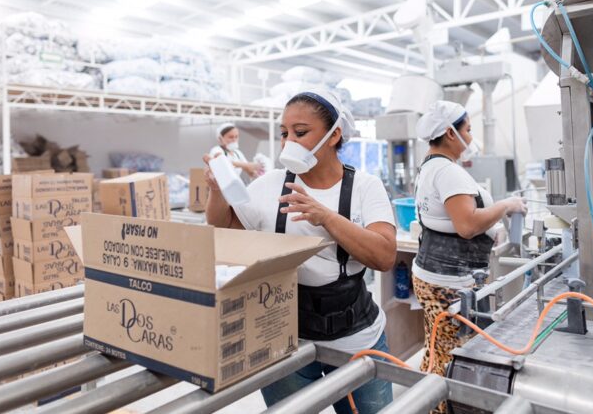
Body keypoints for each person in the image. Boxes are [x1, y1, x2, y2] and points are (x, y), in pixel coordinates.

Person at [203, 89, 397, 414]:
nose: (288, 142)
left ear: (334, 135)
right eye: (284, 134)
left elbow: (384, 256)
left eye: (300, 132)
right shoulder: (269, 184)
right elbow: (225, 225)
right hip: (283, 340)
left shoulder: (365, 187)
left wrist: (327, 217)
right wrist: (216, 190)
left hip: (357, 342)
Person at [412, 101, 527, 412]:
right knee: (450, 360)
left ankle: (424, 403)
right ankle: (438, 407)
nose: (471, 136)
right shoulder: (448, 172)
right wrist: (506, 206)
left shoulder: (430, 166)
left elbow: (451, 219)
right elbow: (466, 225)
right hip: (449, 284)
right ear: (451, 133)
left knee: (437, 349)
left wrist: (492, 227)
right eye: (468, 129)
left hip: (432, 275)